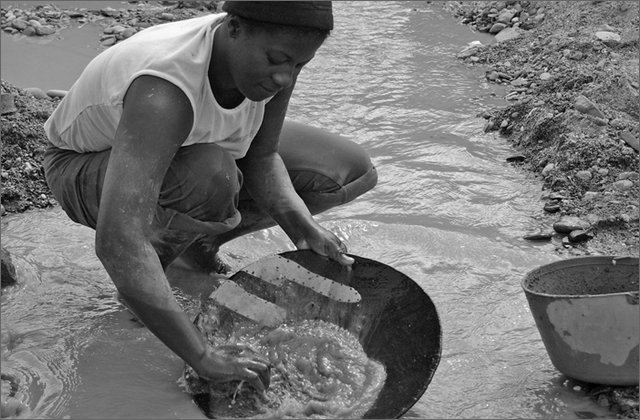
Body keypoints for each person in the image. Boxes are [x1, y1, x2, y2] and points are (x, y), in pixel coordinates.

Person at [42, 1, 377, 393]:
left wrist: (304, 230)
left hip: (197, 149)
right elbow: (118, 241)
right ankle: (150, 281)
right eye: (278, 60)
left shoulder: (273, 58)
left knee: (346, 171)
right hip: (83, 168)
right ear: (233, 27)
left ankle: (195, 248)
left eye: (300, 65)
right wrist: (202, 356)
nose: (285, 77)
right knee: (209, 176)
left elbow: (262, 156)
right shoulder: (166, 86)